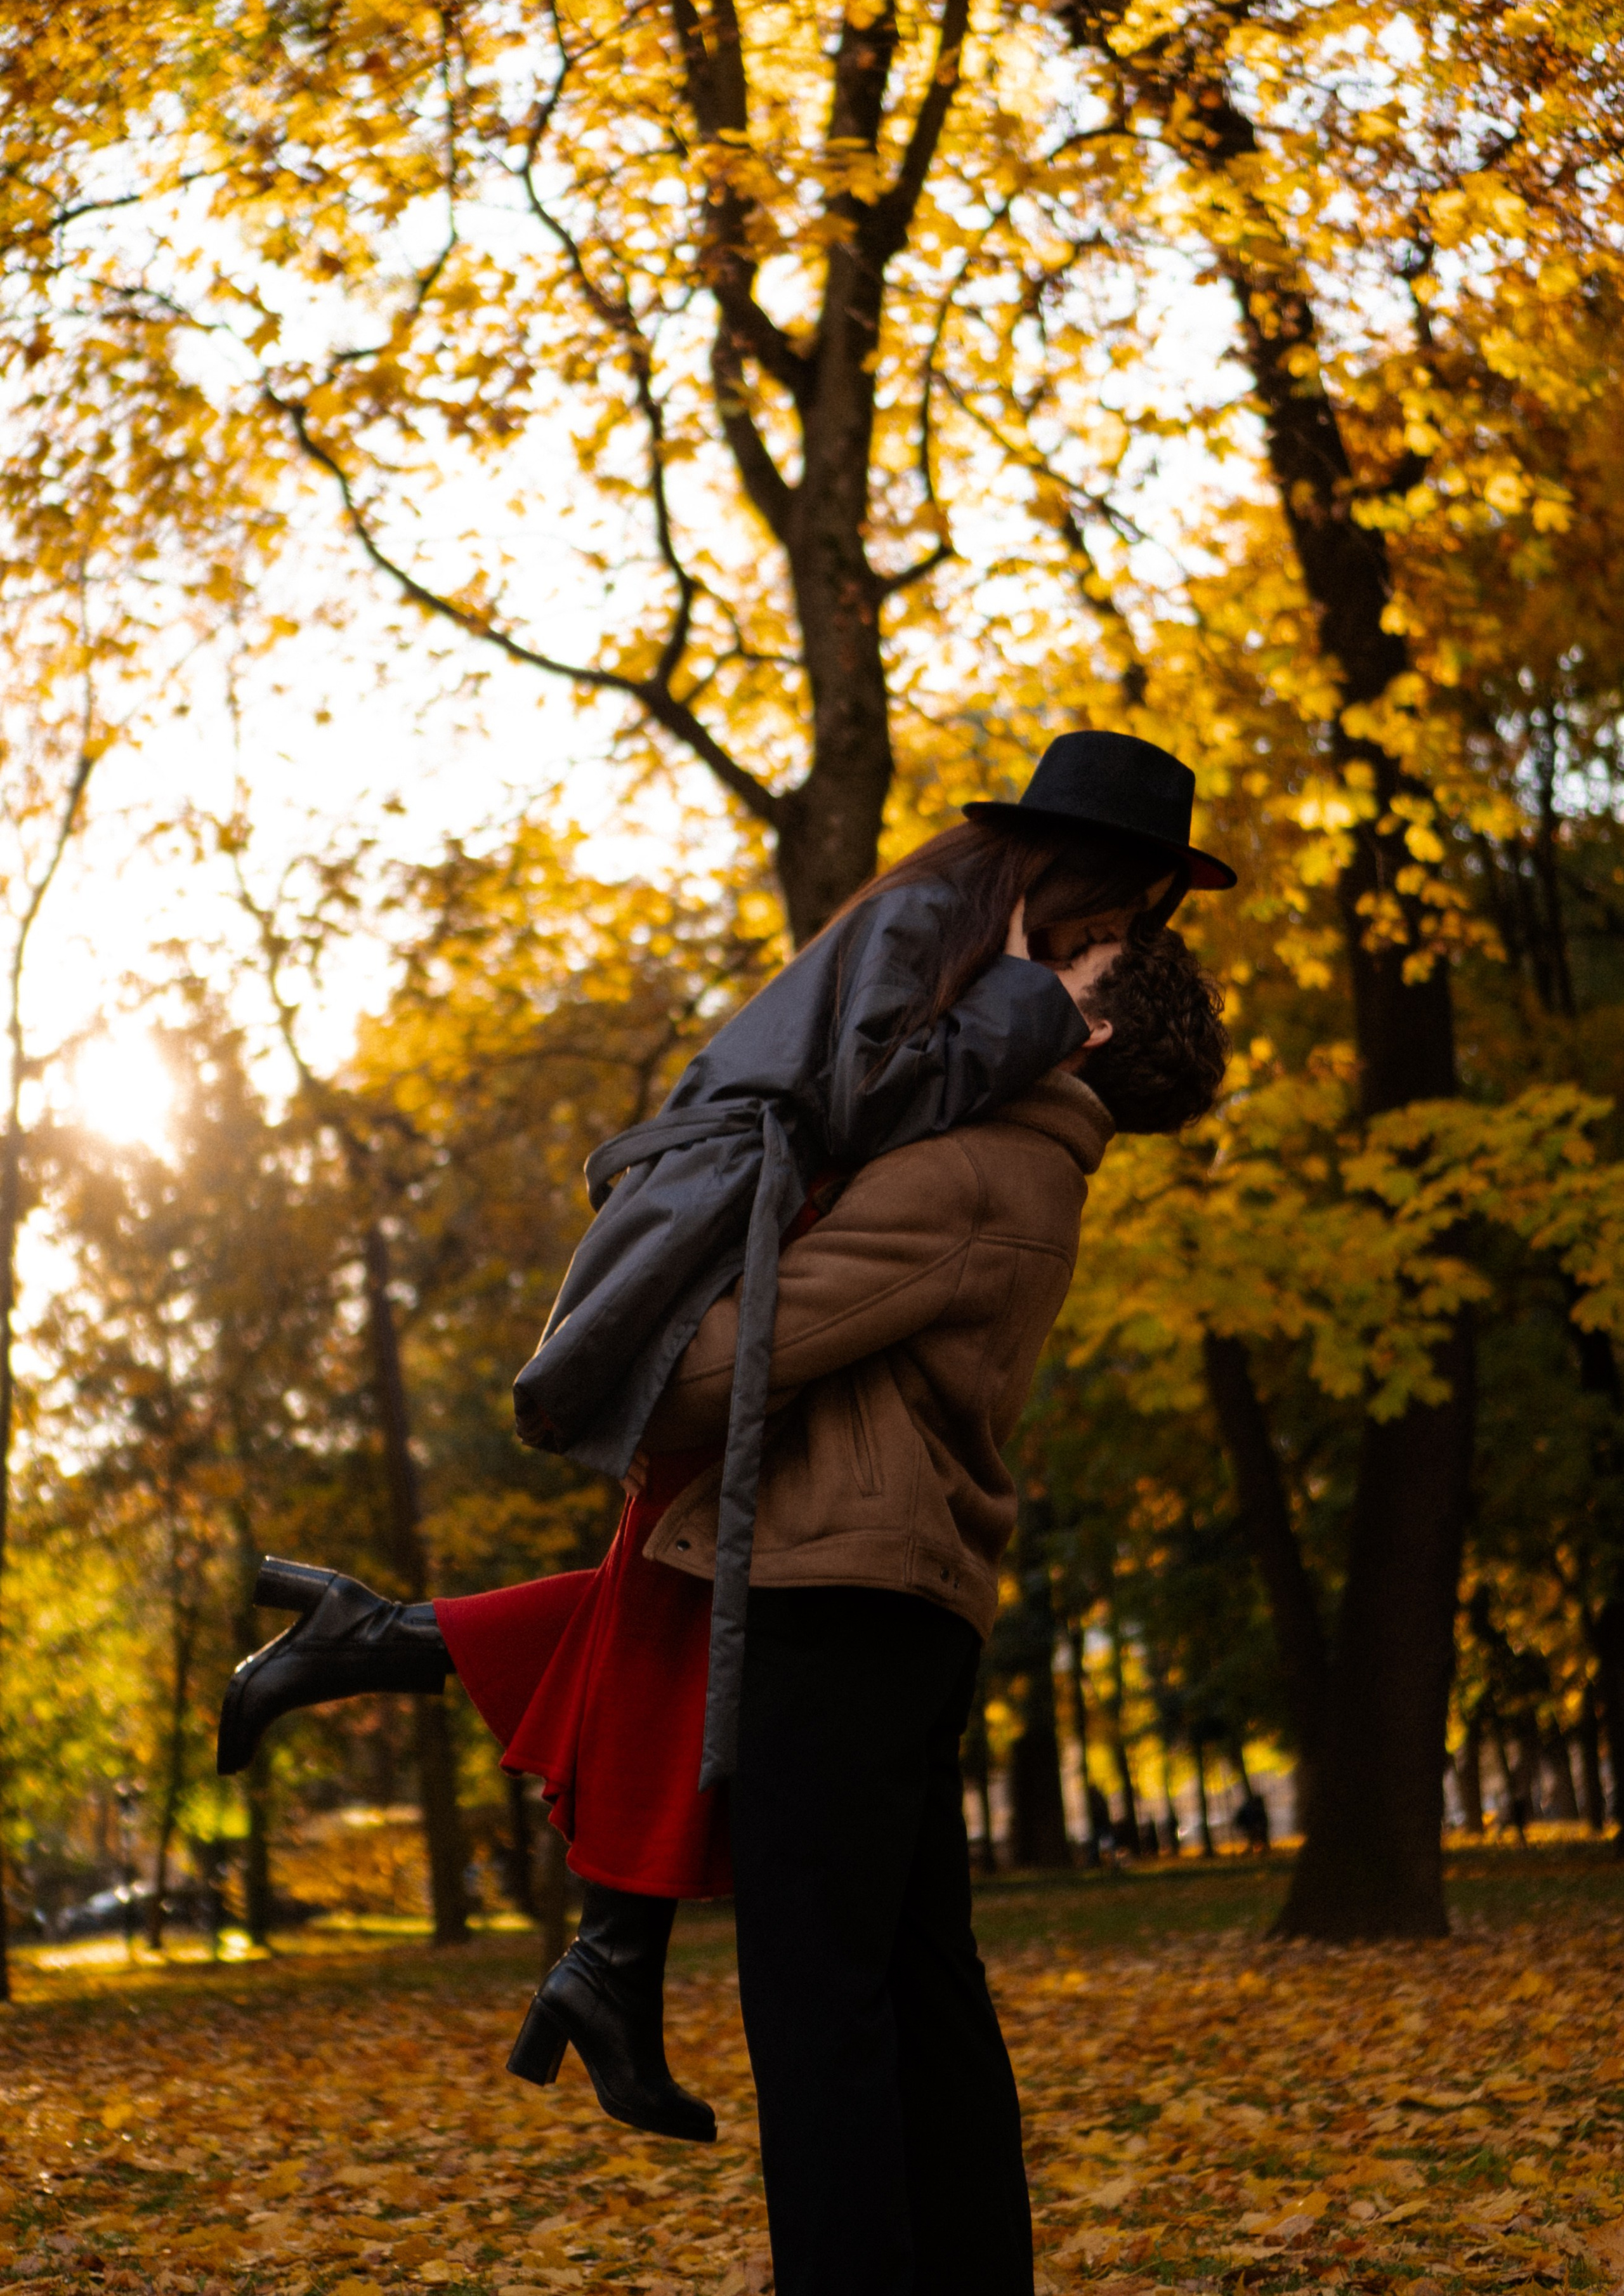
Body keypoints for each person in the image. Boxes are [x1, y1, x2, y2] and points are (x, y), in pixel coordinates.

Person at [216, 734, 1233, 2250]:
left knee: (820, 2014)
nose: (1064, 969)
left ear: (1078, 1041)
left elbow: (708, 1378)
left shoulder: (971, 1176)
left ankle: (416, 1690)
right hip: (890, 1594)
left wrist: (659, 1322)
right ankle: (401, 1668)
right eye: (1093, 935)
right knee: (918, 1996)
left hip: (840, 1604)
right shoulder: (1012, 1158)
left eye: (1084, 971)